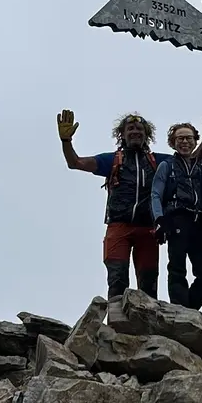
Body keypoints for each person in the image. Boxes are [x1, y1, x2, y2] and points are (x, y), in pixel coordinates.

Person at [58, 109, 159, 298]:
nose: (135, 131)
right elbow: (75, 162)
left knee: (149, 282)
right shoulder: (112, 160)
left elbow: (191, 159)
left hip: (148, 228)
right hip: (118, 227)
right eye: (130, 128)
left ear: (147, 134)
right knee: (117, 278)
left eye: (139, 128)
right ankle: (116, 316)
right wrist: (66, 141)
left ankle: (148, 317)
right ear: (122, 134)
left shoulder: (158, 161)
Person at [150, 122, 202, 311]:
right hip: (176, 220)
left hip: (198, 223)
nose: (185, 142)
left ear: (195, 141)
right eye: (180, 138)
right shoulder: (166, 166)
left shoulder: (200, 169)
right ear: (173, 143)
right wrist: (159, 220)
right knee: (177, 268)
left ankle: (188, 310)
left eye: (189, 138)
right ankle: (180, 310)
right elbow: (156, 194)